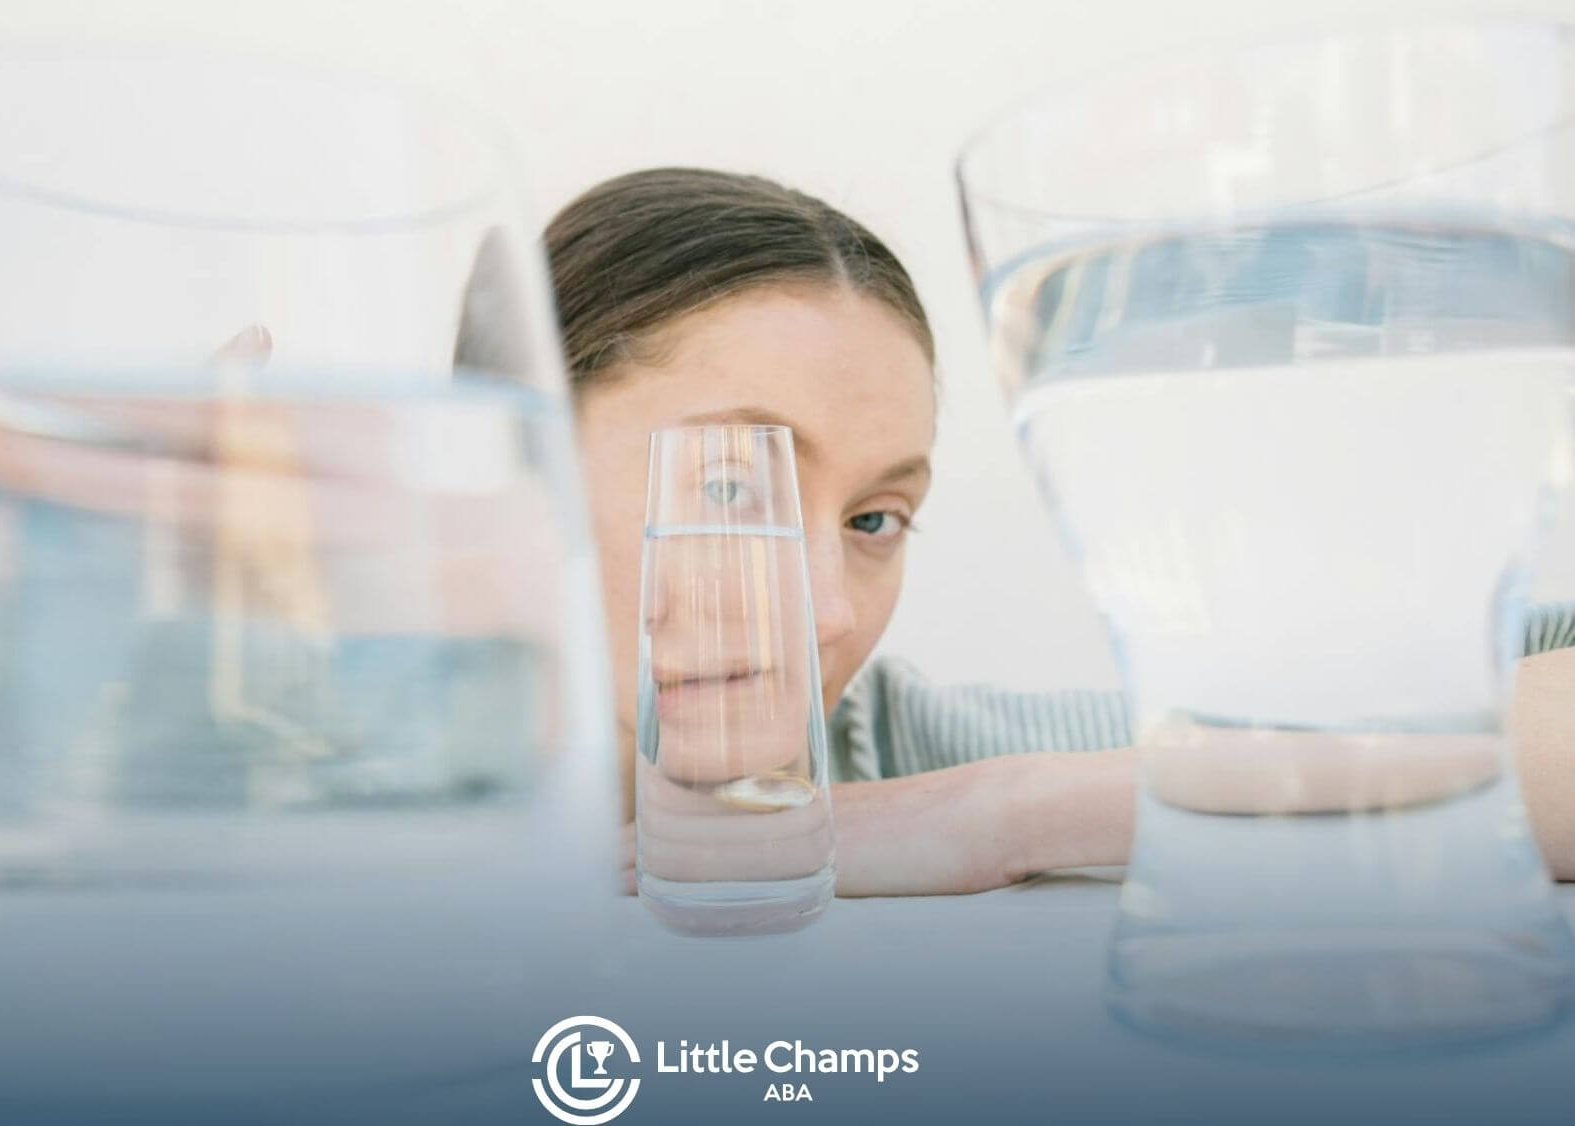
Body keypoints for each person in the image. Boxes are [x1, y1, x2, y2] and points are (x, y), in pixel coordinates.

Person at [545, 166, 1575, 895]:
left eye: (874, 519)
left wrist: (1005, 812)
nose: (828, 612)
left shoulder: (905, 761)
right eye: (729, 488)